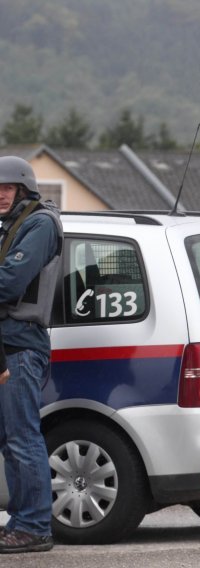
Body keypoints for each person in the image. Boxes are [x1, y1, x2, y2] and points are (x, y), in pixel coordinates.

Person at [0, 155, 63, 554]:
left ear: (24, 189)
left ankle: (34, 526)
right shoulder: (9, 226)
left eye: (7, 188)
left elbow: (9, 283)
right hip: (7, 345)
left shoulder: (39, 223)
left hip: (20, 346)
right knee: (11, 439)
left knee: (23, 438)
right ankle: (20, 522)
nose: (0, 194)